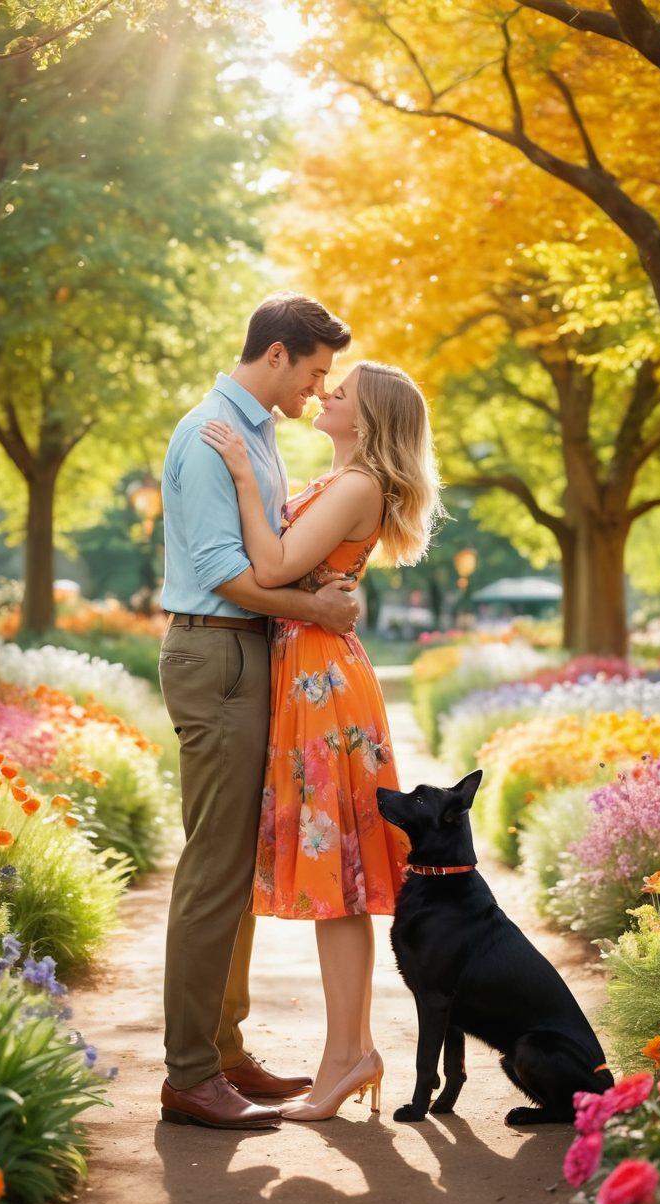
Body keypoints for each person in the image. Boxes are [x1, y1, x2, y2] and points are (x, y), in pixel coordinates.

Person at [200, 360, 445, 1120]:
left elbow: (271, 565)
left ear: (368, 419)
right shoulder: (344, 480)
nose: (327, 392)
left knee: (340, 880)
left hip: (325, 689)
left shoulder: (357, 485)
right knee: (338, 882)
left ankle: (348, 1056)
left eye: (344, 391)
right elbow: (294, 574)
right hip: (314, 676)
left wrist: (241, 472)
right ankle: (352, 1053)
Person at [158, 293, 356, 1131]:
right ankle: (189, 1074)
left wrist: (317, 587)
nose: (319, 392)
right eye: (313, 373)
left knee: (236, 867)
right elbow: (225, 574)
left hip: (249, 653)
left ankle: (224, 1052)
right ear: (276, 354)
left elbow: (271, 560)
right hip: (216, 649)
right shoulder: (212, 434)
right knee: (213, 870)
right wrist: (320, 612)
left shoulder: (261, 435)